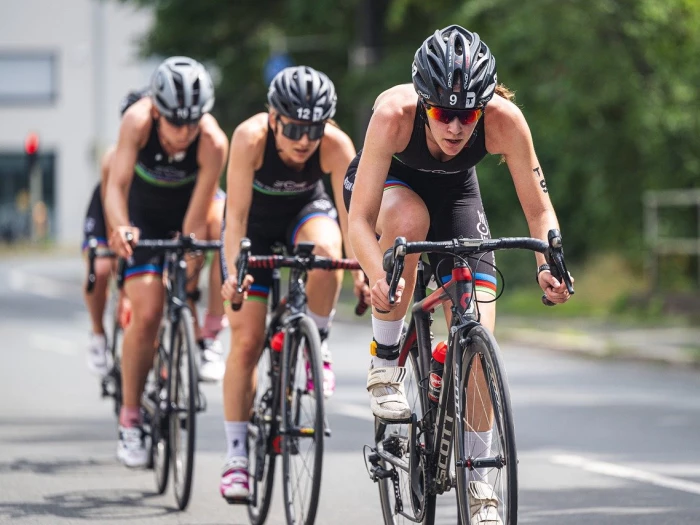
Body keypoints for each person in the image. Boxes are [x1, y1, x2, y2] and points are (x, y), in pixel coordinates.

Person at [344, 25, 573, 523]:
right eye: (444, 113)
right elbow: (358, 221)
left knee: (478, 340)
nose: (455, 127)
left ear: (484, 106)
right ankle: (386, 361)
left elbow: (540, 212)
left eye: (467, 114)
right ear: (424, 103)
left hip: (458, 197)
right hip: (391, 191)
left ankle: (480, 486)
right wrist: (375, 274)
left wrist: (547, 266)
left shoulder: (505, 121)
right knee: (409, 222)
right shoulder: (392, 114)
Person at [219, 65, 367, 500]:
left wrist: (359, 269)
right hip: (254, 230)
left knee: (327, 254)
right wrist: (232, 274)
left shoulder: (336, 145)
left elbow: (352, 219)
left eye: (314, 128)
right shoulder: (248, 139)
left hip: (306, 214)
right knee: (246, 341)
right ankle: (237, 457)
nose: (305, 139)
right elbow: (236, 220)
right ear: (273, 117)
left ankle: (316, 343)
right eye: (295, 128)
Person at [105, 56, 229, 468]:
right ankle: (130, 419)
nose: (183, 131)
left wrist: (189, 256)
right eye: (175, 121)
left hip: (187, 214)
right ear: (156, 110)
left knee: (222, 223)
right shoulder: (137, 123)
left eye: (192, 121)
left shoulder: (212, 141)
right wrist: (121, 227)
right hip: (141, 218)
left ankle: (209, 332)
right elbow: (116, 187)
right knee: (148, 311)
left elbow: (201, 209)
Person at [82, 94, 228, 383]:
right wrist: (124, 289)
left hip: (168, 204)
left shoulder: (200, 145)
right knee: (100, 270)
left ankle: (203, 332)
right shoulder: (116, 157)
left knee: (199, 249)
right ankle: (98, 333)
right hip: (118, 206)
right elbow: (114, 208)